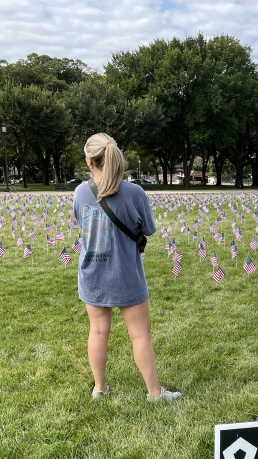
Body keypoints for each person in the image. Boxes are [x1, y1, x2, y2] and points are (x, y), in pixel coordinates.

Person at [72, 133, 179, 402]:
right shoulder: (134, 192)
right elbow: (149, 229)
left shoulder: (80, 192)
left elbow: (80, 224)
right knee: (140, 334)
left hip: (92, 273)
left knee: (97, 331)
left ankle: (99, 389)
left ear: (89, 160)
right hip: (126, 274)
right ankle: (154, 393)